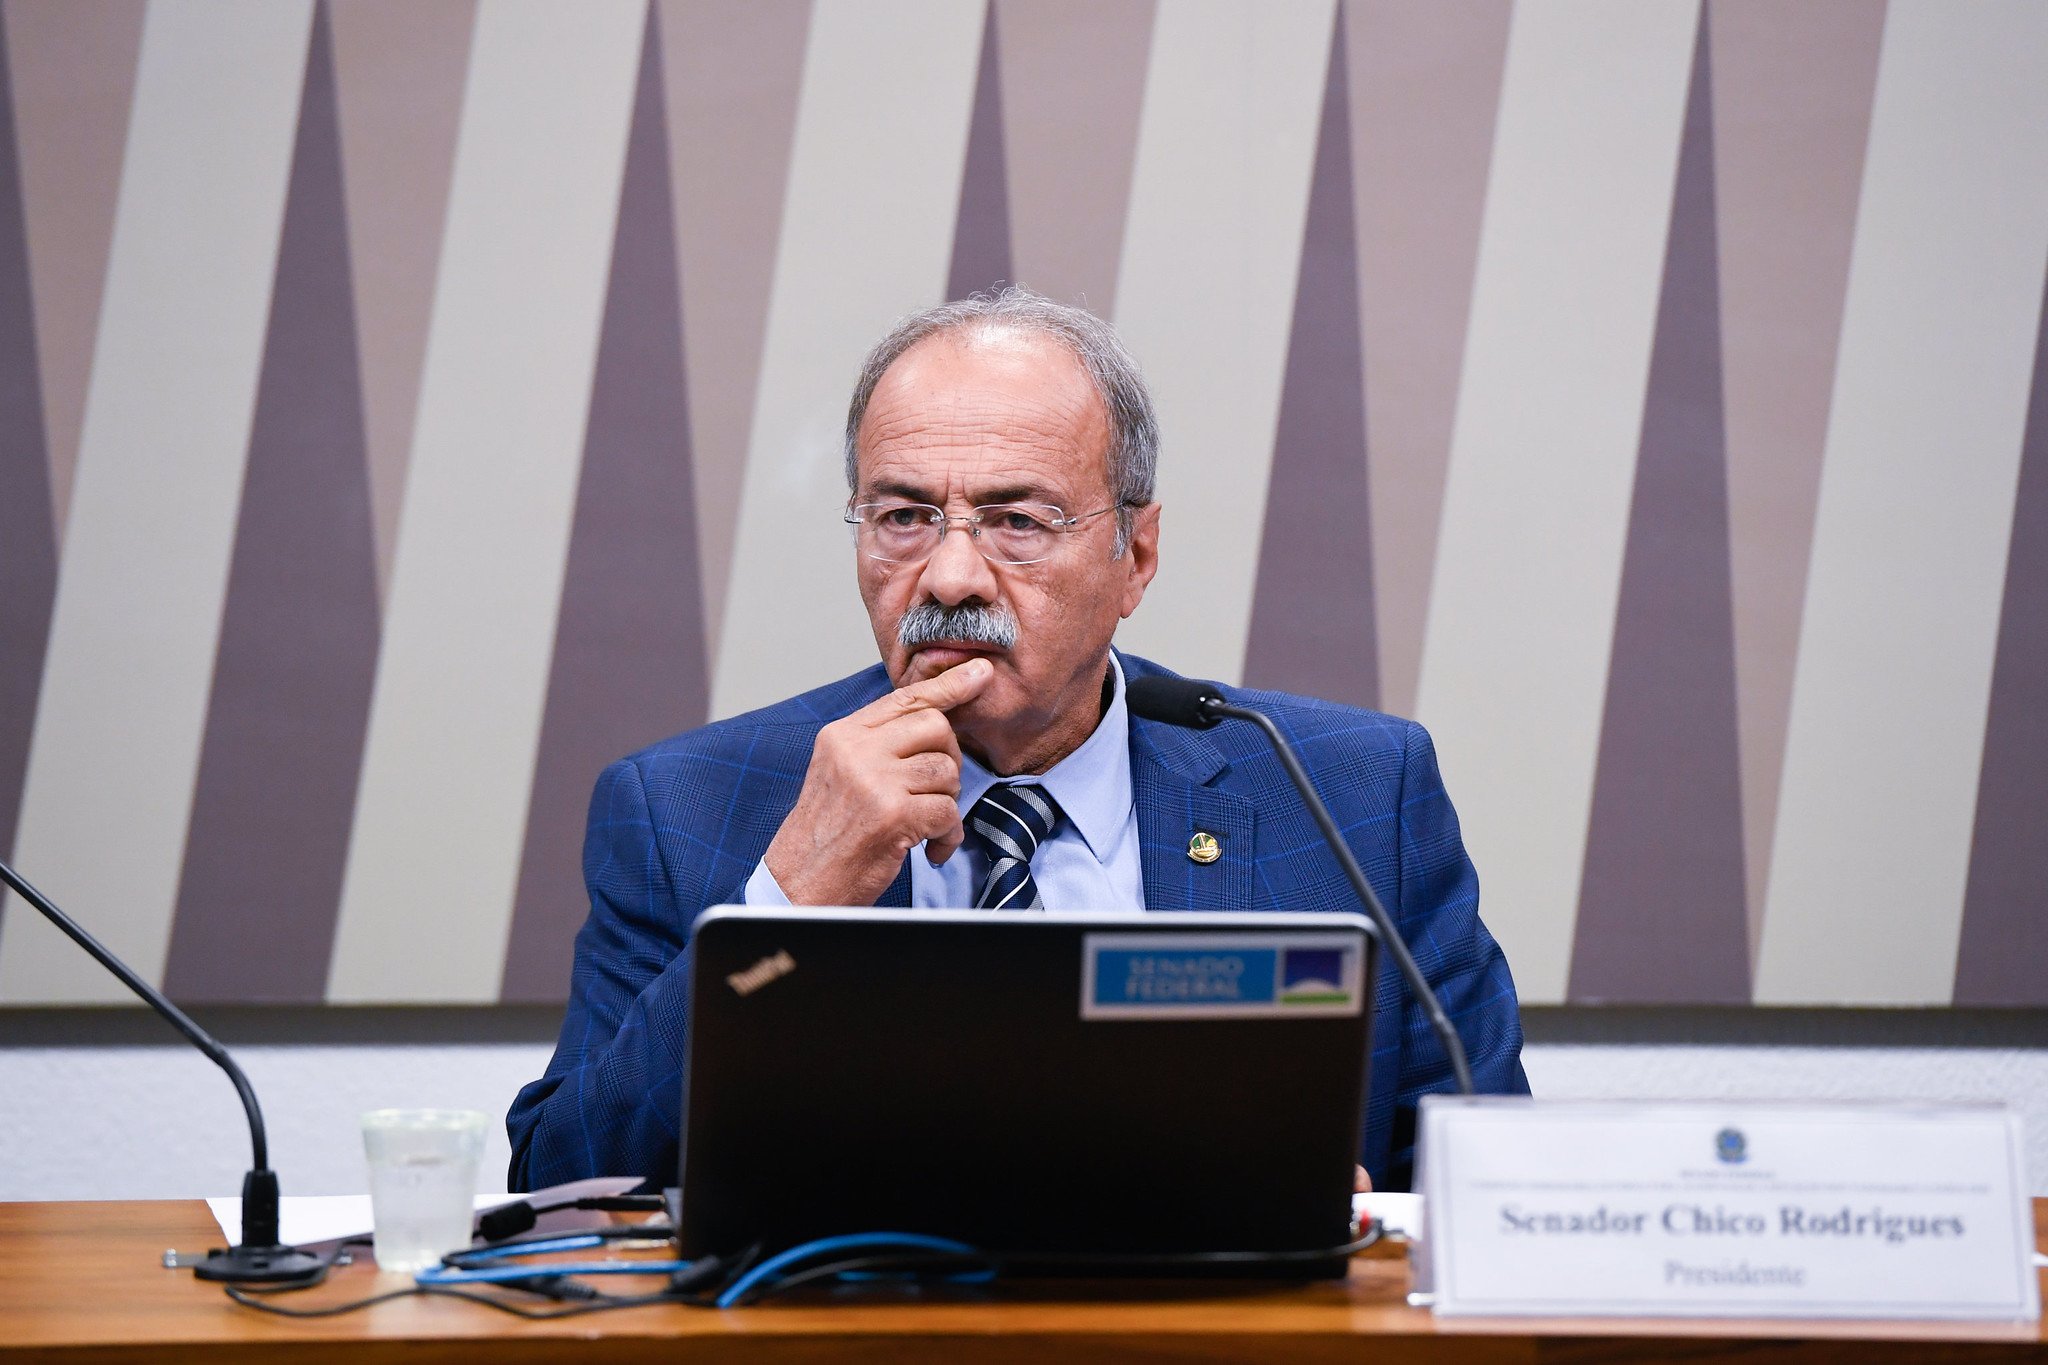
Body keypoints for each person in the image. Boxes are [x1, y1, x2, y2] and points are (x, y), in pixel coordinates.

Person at [507, 287, 1527, 1194]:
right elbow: (560, 1182)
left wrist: (1361, 1226)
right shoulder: (686, 808)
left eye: (1015, 521)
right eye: (904, 516)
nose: (949, 578)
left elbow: (1496, 1190)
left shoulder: (1349, 794)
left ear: (1135, 556)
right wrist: (784, 902)